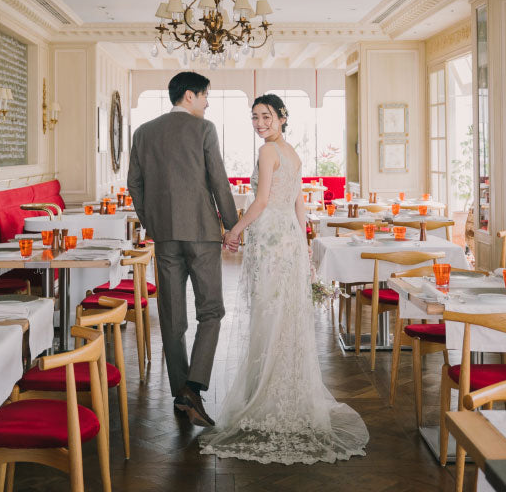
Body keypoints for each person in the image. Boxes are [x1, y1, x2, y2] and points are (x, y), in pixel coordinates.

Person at [201, 94, 368, 464]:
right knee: (285, 316)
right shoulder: (292, 153)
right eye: (255, 117)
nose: (260, 122)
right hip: (289, 240)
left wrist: (234, 230)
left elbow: (260, 202)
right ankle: (287, 393)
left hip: (271, 238)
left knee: (268, 313)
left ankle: (268, 396)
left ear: (282, 117)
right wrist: (305, 248)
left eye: (266, 116)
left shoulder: (267, 152)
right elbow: (300, 209)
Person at [127, 71, 239, 427]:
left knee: (172, 319)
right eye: (206, 96)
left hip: (165, 236)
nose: (207, 102)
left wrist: (152, 222)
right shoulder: (204, 129)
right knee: (211, 311)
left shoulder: (143, 132)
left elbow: (135, 184)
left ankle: (181, 396)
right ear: (189, 96)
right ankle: (193, 387)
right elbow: (218, 179)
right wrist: (233, 224)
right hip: (203, 232)